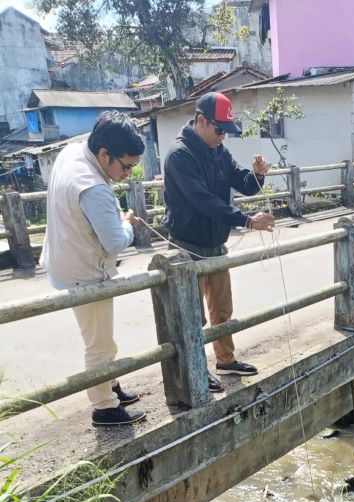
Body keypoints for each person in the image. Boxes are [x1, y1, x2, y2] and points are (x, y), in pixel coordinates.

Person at [163, 91, 275, 393]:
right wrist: (248, 221)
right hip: (188, 248)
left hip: (216, 245)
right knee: (192, 316)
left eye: (226, 130)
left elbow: (243, 182)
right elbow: (203, 201)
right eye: (219, 129)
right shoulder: (180, 154)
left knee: (222, 309)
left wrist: (257, 175)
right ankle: (195, 370)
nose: (223, 136)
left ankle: (225, 360)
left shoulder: (218, 150)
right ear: (201, 121)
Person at [41, 111, 146, 427]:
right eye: (126, 166)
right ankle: (104, 407)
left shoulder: (74, 151)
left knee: (101, 337)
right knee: (99, 343)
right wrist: (127, 224)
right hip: (84, 271)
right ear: (104, 154)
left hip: (66, 257)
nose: (128, 173)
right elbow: (114, 242)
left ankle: (110, 385)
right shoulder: (94, 187)